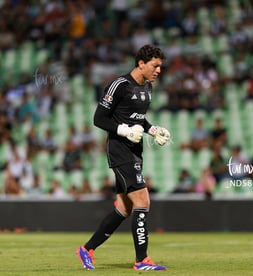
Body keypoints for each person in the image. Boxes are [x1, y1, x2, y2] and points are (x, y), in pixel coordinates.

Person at [77, 45, 169, 271]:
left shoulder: (148, 87)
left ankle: (87, 249)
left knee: (125, 208)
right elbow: (99, 118)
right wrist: (123, 131)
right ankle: (142, 260)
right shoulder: (119, 85)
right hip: (120, 150)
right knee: (143, 201)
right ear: (141, 63)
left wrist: (152, 130)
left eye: (160, 67)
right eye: (155, 66)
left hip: (135, 151)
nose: (158, 71)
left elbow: (138, 118)